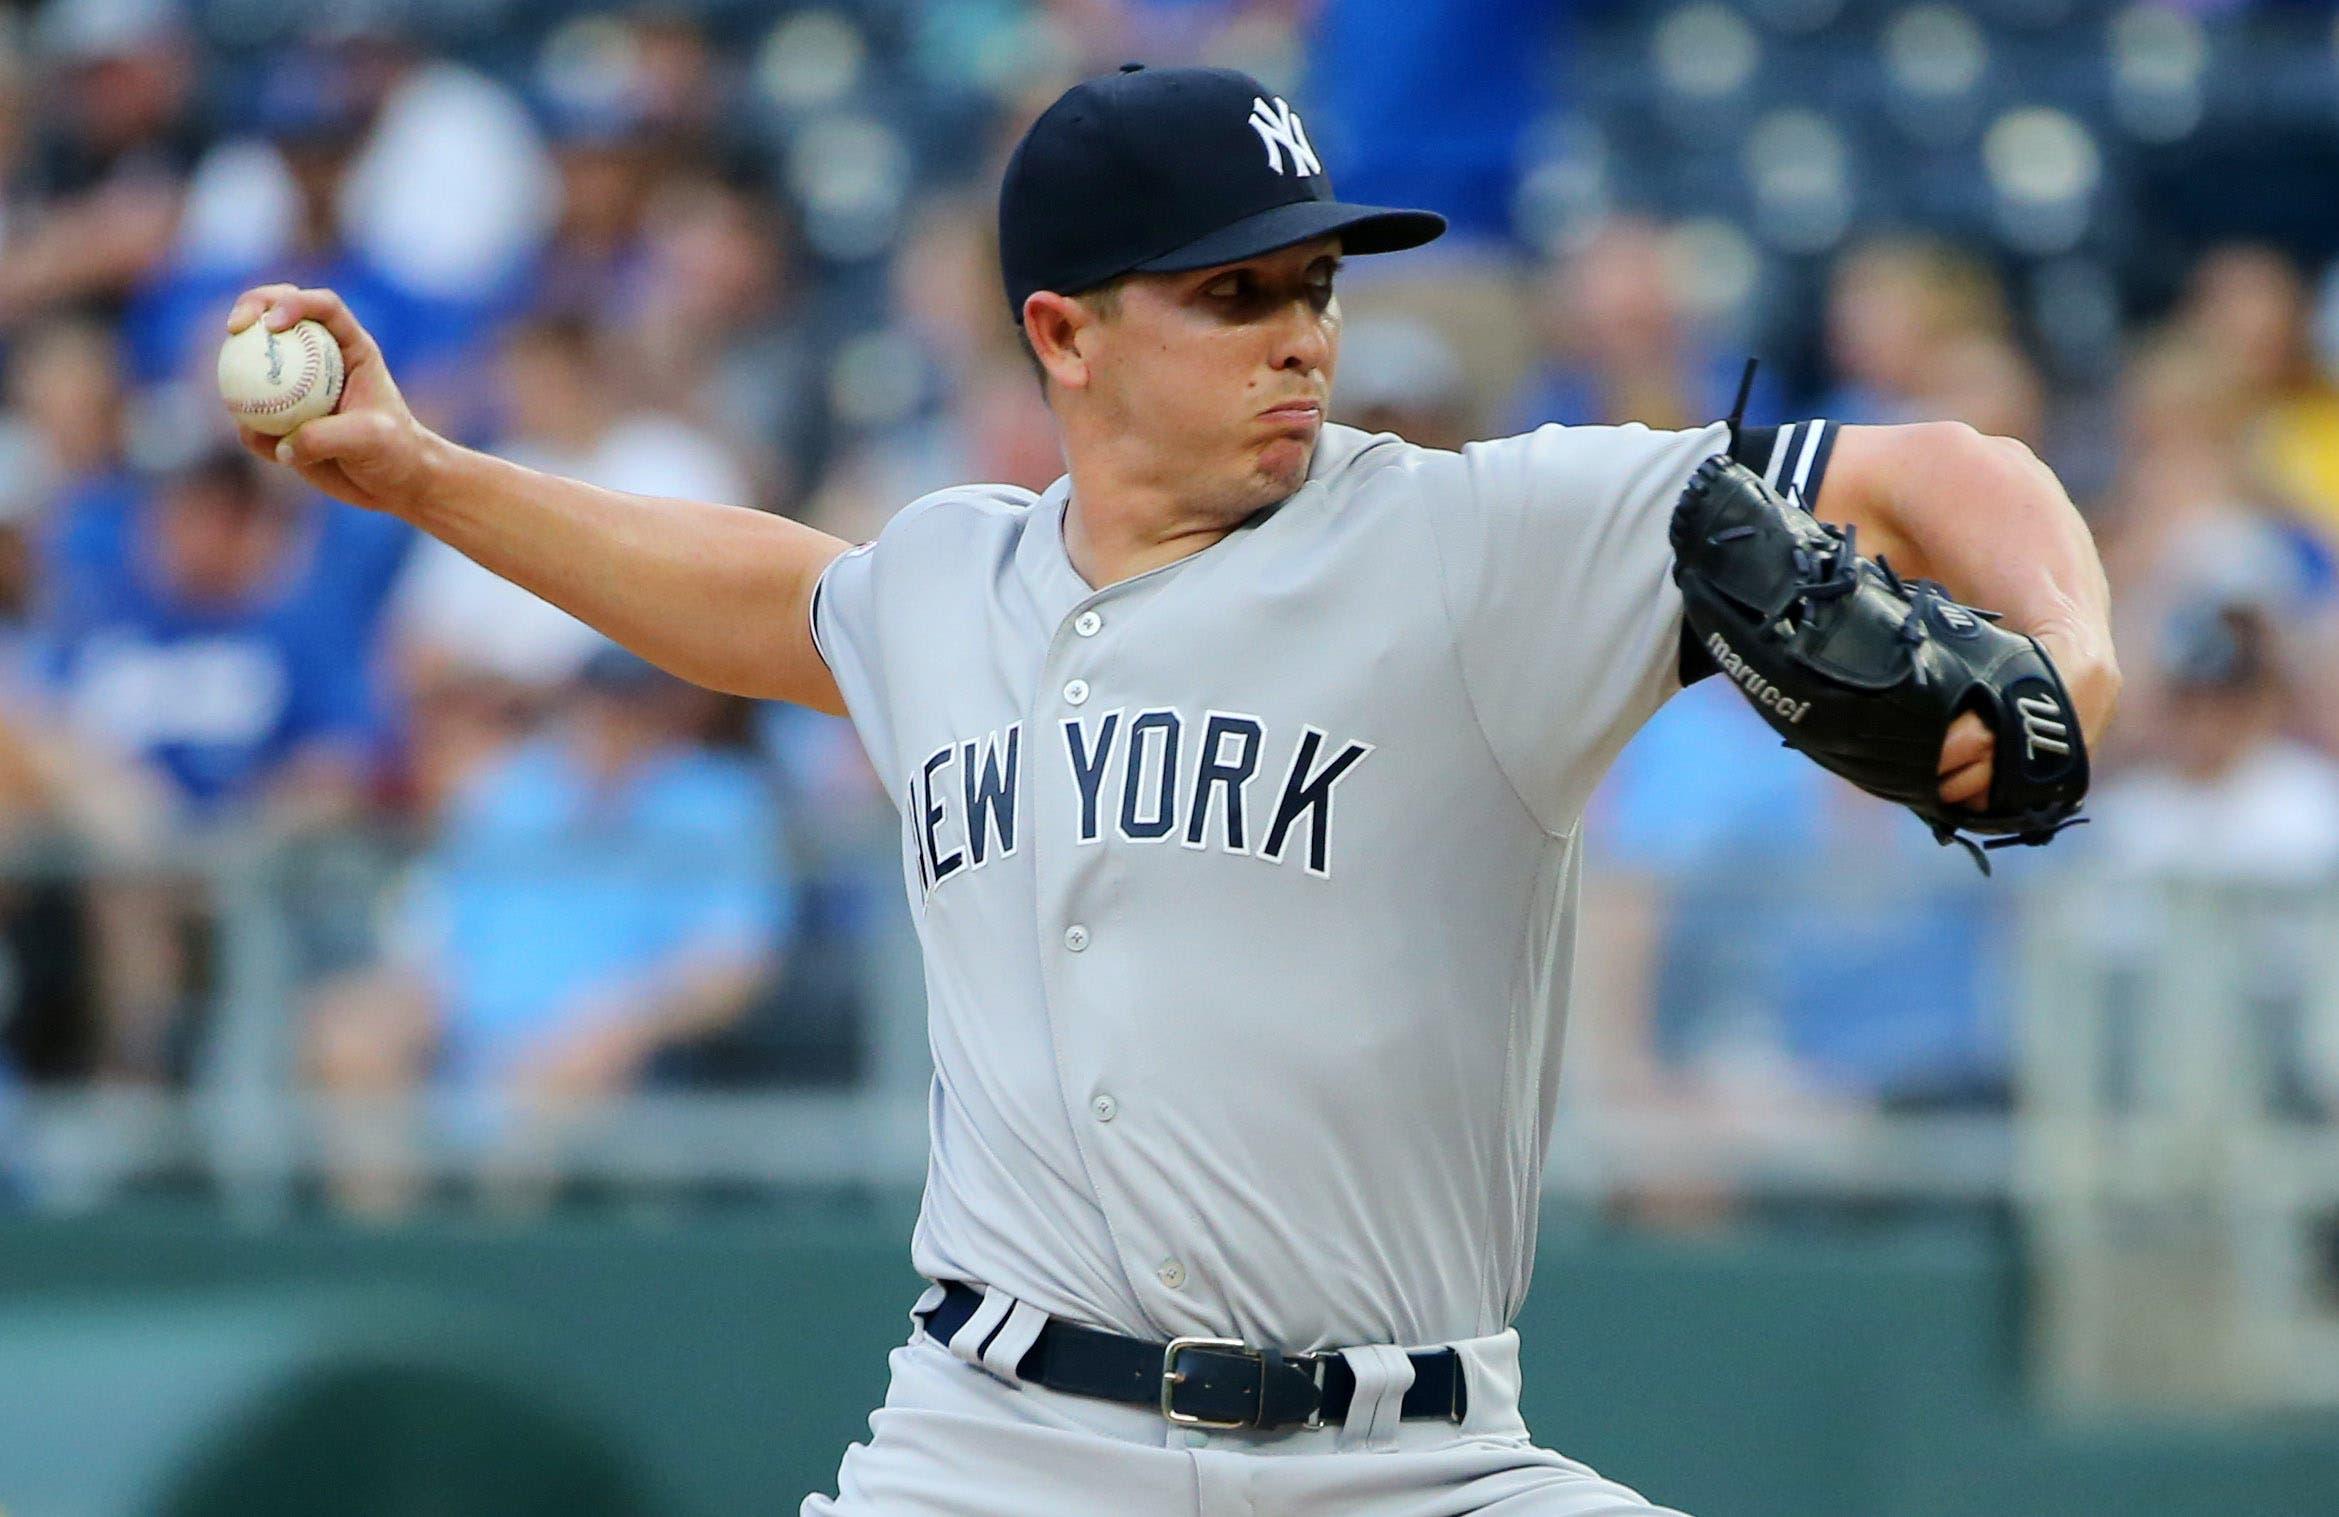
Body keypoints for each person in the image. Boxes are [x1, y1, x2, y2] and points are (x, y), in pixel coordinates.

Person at [225, 63, 2118, 1517]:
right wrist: (425, 478)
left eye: (1315, 284)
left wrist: (2076, 676)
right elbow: (774, 598)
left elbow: (1940, 465)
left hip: (1412, 1460)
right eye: (1234, 293)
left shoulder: (1472, 543)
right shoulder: (949, 583)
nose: (1302, 331)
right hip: (997, 1444)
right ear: (1066, 331)